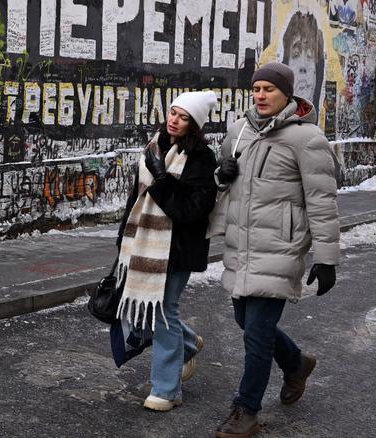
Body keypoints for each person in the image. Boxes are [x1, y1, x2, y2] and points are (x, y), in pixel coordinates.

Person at [207, 62, 339, 438]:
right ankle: (296, 363)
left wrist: (326, 258)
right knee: (245, 323)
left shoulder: (307, 139)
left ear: (287, 94)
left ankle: (245, 410)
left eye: (269, 89)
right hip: (241, 246)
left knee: (257, 335)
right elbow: (223, 183)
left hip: (280, 247)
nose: (261, 95)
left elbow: (322, 201)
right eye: (257, 88)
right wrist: (222, 175)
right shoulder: (238, 132)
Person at [116, 90, 220, 412]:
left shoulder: (202, 159)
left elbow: (191, 211)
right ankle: (187, 343)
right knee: (153, 311)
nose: (173, 120)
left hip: (178, 248)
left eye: (183, 117)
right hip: (144, 244)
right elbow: (137, 197)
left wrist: (162, 179)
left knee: (163, 312)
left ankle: (165, 389)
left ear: (195, 125)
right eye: (172, 112)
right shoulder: (155, 145)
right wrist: (123, 238)